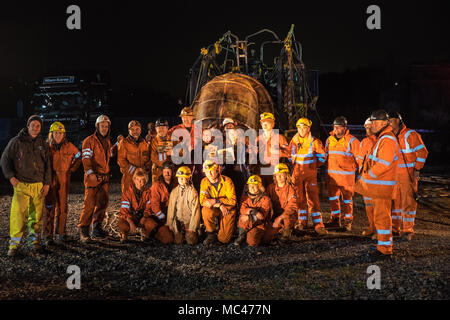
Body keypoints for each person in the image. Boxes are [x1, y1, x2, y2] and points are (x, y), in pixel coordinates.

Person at [1, 115, 51, 256]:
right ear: (28, 126)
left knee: (36, 217)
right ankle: (14, 246)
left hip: (38, 186)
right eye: (33, 125)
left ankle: (33, 243)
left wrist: (47, 184)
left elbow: (48, 166)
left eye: (38, 126)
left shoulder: (43, 143)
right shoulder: (16, 141)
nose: (35, 128)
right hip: (21, 185)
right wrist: (11, 177)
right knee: (18, 216)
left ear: (40, 128)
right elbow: (4, 160)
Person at [355, 109, 399, 260]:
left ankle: (385, 249)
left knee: (382, 218)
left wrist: (367, 176)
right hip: (379, 186)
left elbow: (384, 164)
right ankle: (383, 247)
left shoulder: (387, 139)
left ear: (383, 123)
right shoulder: (383, 138)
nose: (371, 125)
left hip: (382, 186)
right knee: (381, 218)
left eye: (374, 122)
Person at [389, 111, 428, 240]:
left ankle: (407, 230)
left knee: (408, 203)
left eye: (391, 120)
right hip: (393, 176)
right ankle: (394, 229)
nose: (389, 122)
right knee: (395, 203)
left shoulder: (410, 135)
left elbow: (422, 152)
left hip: (407, 175)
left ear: (399, 121)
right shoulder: (388, 136)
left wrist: (417, 169)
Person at [43, 122, 81, 245]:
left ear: (64, 134)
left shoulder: (69, 146)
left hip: (64, 179)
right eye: (56, 133)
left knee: (63, 208)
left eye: (61, 133)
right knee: (49, 207)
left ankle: (61, 234)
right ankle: (48, 236)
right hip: (50, 179)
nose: (58, 135)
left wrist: (72, 169)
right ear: (51, 134)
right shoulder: (46, 147)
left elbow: (79, 156)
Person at [288, 118, 328, 235]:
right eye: (299, 127)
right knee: (299, 199)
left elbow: (323, 157)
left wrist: (314, 165)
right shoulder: (294, 141)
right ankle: (302, 222)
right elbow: (290, 156)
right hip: (297, 175)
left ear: (308, 128)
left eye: (304, 127)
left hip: (310, 175)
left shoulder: (315, 141)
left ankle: (318, 224)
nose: (301, 130)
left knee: (313, 199)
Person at [78, 115, 112, 242]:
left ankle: (97, 228)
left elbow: (107, 156)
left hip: (104, 178)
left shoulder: (107, 141)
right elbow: (85, 158)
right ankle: (84, 230)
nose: (104, 128)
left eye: (106, 126)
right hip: (93, 177)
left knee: (103, 203)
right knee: (89, 205)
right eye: (102, 126)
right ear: (97, 126)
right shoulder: (89, 141)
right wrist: (90, 173)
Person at [324, 116, 360, 231]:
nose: (337, 130)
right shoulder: (329, 140)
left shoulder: (352, 141)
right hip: (332, 178)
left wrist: (361, 174)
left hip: (346, 178)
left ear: (345, 128)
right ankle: (335, 219)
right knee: (333, 198)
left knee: (347, 200)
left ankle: (347, 221)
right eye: (335, 127)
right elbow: (325, 156)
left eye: (339, 127)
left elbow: (360, 159)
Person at [199, 159, 237, 245]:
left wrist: (215, 200)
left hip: (227, 209)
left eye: (211, 171)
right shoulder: (204, 182)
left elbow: (233, 201)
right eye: (207, 172)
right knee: (205, 210)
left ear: (217, 170)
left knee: (224, 239)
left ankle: (229, 227)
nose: (209, 174)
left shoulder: (227, 181)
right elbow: (203, 201)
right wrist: (219, 204)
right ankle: (211, 234)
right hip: (217, 207)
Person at [166, 166, 201, 245]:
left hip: (188, 222)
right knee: (177, 241)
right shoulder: (174, 192)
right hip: (178, 222)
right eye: (179, 178)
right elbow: (171, 209)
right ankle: (180, 233)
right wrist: (170, 224)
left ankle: (196, 232)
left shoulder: (192, 192)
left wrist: (192, 228)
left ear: (188, 178)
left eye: (183, 178)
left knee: (191, 241)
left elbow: (196, 211)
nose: (181, 180)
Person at [143, 160, 176, 244]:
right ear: (162, 172)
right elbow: (154, 206)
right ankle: (150, 231)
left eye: (169, 171)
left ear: (173, 172)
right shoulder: (157, 185)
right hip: (156, 216)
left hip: (167, 216)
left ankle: (158, 232)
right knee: (167, 239)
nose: (167, 173)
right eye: (165, 171)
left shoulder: (176, 184)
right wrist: (165, 220)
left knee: (171, 239)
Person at [234, 175, 272, 246]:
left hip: (259, 224)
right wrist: (253, 211)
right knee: (243, 217)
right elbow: (242, 209)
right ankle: (241, 237)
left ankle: (258, 236)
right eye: (250, 185)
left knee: (252, 242)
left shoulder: (265, 199)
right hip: (247, 220)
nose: (252, 187)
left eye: (254, 185)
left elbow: (262, 216)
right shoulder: (245, 197)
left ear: (259, 186)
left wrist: (250, 216)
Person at [117, 169, 152, 242]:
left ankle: (145, 234)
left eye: (142, 180)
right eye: (137, 179)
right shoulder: (128, 192)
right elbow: (124, 211)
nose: (139, 182)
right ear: (134, 180)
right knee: (123, 224)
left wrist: (144, 218)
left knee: (151, 223)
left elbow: (149, 208)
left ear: (145, 181)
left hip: (142, 217)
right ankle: (124, 235)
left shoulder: (148, 192)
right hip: (131, 217)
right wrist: (130, 222)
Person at [256, 112, 290, 187]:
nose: (264, 125)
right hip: (261, 172)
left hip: (275, 172)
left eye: (267, 123)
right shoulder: (258, 139)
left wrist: (279, 152)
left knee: (275, 192)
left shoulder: (280, 138)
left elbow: (288, 153)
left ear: (272, 124)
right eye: (263, 123)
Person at [265, 163, 298, 242]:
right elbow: (265, 203)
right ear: (275, 176)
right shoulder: (271, 188)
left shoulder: (290, 189)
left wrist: (280, 218)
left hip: (289, 216)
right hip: (276, 215)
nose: (279, 177)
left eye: (282, 174)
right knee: (267, 237)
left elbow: (291, 207)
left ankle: (287, 231)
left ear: (286, 175)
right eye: (277, 175)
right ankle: (280, 231)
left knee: (287, 217)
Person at [117, 120, 151, 193]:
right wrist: (135, 170)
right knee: (128, 199)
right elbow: (121, 160)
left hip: (142, 177)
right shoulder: (124, 143)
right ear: (129, 131)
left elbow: (148, 159)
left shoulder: (144, 144)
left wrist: (146, 168)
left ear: (140, 130)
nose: (135, 131)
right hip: (129, 177)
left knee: (142, 199)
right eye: (132, 129)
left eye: (137, 129)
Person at [358, 118, 377, 238]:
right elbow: (360, 159)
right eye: (366, 127)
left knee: (379, 206)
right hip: (366, 177)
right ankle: (372, 227)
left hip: (377, 178)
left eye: (370, 127)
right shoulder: (364, 142)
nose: (368, 129)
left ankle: (380, 230)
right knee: (369, 205)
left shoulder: (381, 141)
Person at [150, 118, 173, 183]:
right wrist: (167, 154)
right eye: (159, 127)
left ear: (167, 128)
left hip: (171, 172)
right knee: (157, 191)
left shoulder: (173, 139)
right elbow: (154, 158)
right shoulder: (152, 142)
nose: (161, 129)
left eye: (163, 127)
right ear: (156, 129)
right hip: (158, 172)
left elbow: (181, 152)